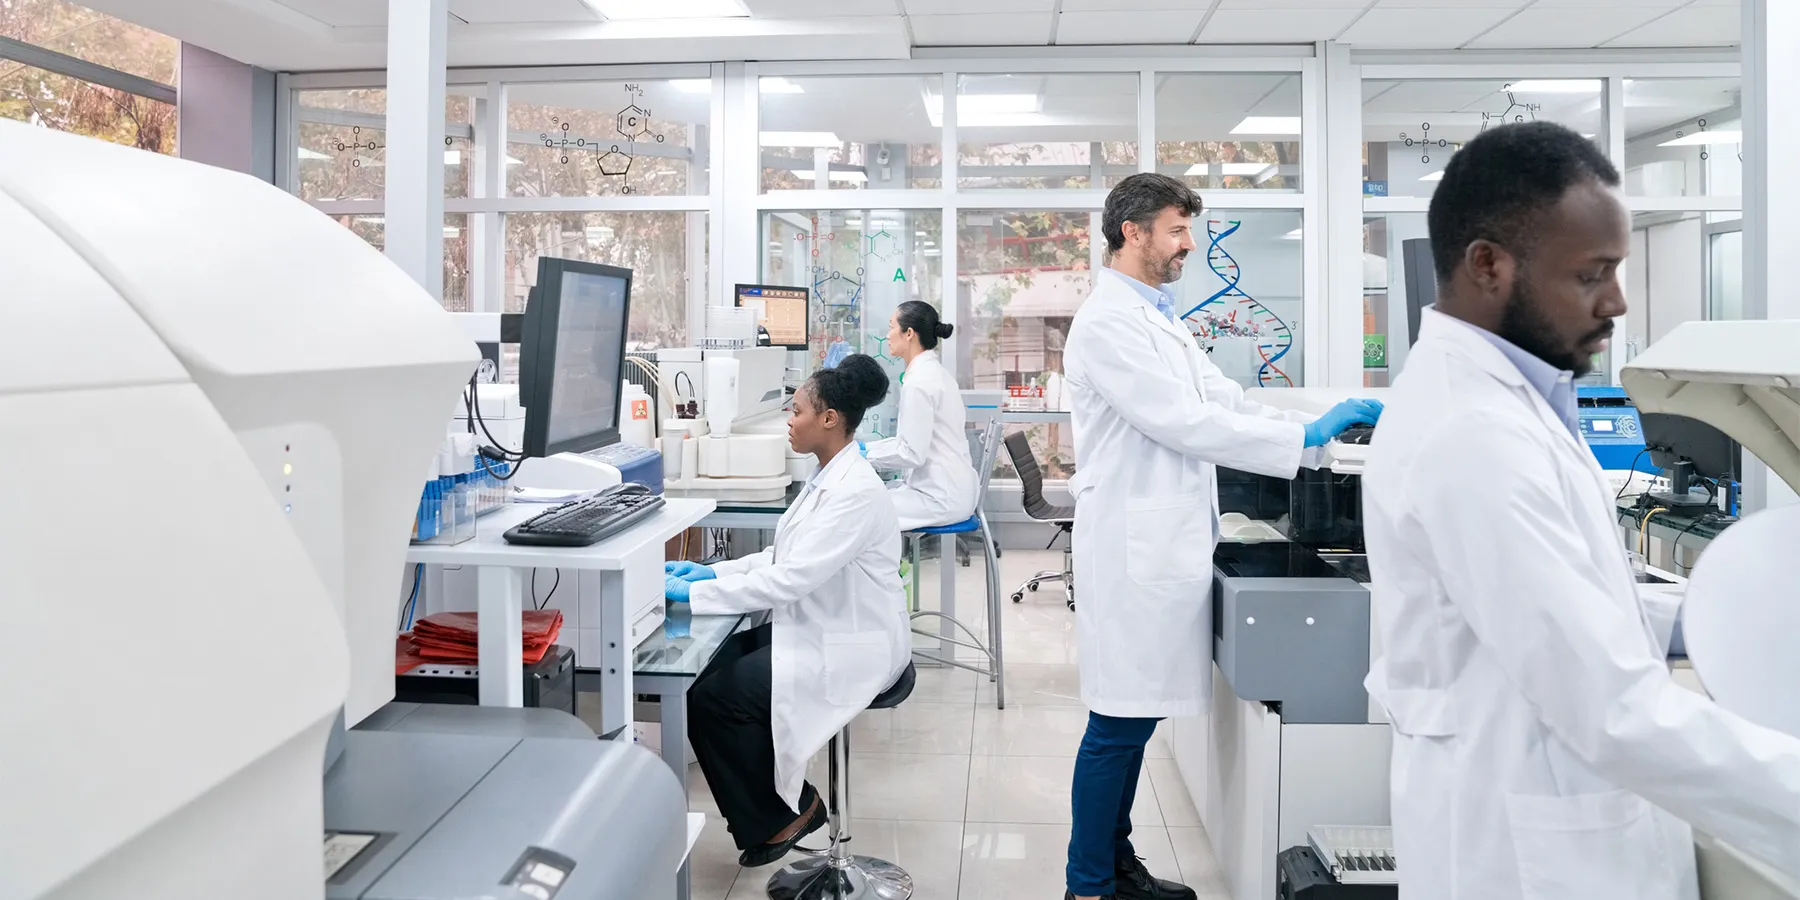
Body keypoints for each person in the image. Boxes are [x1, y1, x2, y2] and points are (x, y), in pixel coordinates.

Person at [1362, 121, 1800, 899]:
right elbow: (1611, 708)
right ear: (1489, 266)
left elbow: (1571, 602)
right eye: (1593, 274)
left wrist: (1726, 611)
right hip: (1525, 853)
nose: (1617, 301)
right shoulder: (1473, 435)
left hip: (1543, 821)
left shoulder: (1506, 405)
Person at [1060, 172, 1382, 900]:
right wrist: (1303, 438)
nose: (1187, 246)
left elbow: (1224, 400)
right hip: (1133, 551)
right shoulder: (1108, 322)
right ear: (1132, 232)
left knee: (1134, 722)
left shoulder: (1157, 315)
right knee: (1117, 725)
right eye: (1176, 231)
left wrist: (1317, 432)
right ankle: (1089, 885)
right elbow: (1183, 422)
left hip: (1160, 545)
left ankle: (1115, 865)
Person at [663, 354, 911, 867]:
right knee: (704, 673)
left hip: (854, 645)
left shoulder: (855, 492)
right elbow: (783, 557)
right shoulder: (828, 477)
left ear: (829, 419)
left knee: (718, 699)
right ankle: (780, 806)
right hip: (822, 626)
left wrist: (694, 596)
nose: (789, 421)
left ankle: (790, 813)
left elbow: (790, 580)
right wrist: (714, 573)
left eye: (797, 411)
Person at [863, 300, 980, 530]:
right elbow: (909, 442)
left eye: (891, 327)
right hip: (951, 489)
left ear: (909, 333)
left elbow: (911, 454)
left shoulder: (919, 383)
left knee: (858, 509)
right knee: (871, 500)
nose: (887, 335)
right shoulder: (934, 373)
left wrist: (865, 456)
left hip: (940, 498)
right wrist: (867, 449)